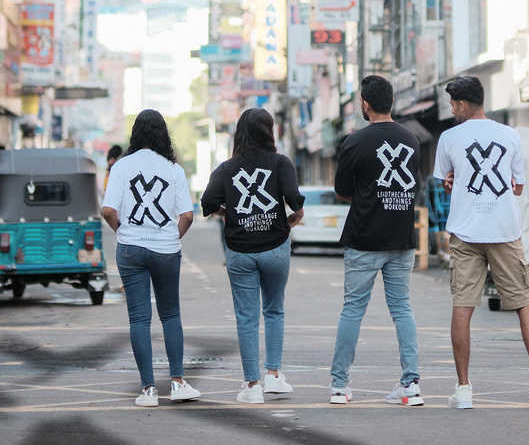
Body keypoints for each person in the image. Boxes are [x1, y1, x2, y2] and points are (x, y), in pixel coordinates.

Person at [433, 75, 529, 409]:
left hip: (465, 233)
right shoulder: (510, 135)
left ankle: (463, 390)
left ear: (461, 104)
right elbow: (517, 187)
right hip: (505, 231)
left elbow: (447, 180)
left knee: (462, 306)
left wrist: (456, 182)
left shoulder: (448, 138)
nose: (451, 109)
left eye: (452, 104)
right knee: (523, 301)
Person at [329, 74, 423, 407]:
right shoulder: (411, 140)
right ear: (392, 102)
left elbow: (342, 191)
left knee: (352, 310)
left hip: (364, 238)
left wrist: (367, 190)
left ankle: (340, 386)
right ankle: (411, 383)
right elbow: (412, 186)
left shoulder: (355, 142)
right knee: (402, 309)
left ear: (365, 105)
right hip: (401, 238)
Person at [201, 108, 305, 404]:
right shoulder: (280, 163)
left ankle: (252, 385)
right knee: (274, 310)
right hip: (275, 248)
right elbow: (295, 200)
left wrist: (225, 213)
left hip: (240, 250)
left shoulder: (226, 169)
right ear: (268, 131)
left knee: (246, 318)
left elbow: (208, 203)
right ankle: (273, 375)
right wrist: (293, 216)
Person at [101, 109, 201, 407]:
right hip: (166, 249)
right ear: (163, 134)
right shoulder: (173, 169)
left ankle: (148, 390)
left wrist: (124, 233)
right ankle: (178, 382)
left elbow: (107, 210)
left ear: (135, 134)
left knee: (139, 318)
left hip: (130, 247)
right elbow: (186, 215)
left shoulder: (121, 166)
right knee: (170, 314)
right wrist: (170, 237)